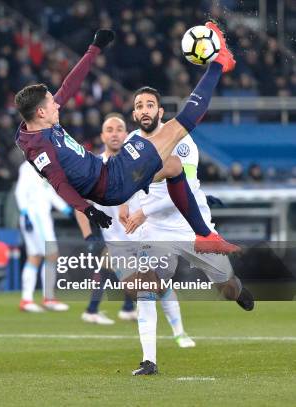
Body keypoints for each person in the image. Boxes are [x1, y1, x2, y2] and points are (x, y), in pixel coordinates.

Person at [14, 22, 238, 255]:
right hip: (112, 183)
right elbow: (59, 182)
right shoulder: (39, 148)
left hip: (109, 170)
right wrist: (88, 211)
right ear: (40, 112)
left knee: (172, 165)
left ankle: (203, 235)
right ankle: (220, 62)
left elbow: (68, 87)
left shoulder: (38, 123)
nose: (57, 104)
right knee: (176, 129)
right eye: (52, 103)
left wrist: (94, 48)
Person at [119, 87, 254, 375]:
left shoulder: (181, 141)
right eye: (139, 105)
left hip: (191, 228)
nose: (144, 110)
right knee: (146, 289)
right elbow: (128, 182)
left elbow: (185, 190)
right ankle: (149, 361)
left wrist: (143, 211)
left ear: (160, 112)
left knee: (227, 288)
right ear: (134, 114)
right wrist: (126, 204)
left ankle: (236, 289)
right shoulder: (131, 144)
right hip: (155, 233)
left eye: (150, 105)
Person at [76, 115, 197, 349]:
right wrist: (89, 236)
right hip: (119, 246)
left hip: (146, 238)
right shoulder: (94, 169)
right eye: (109, 129)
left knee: (160, 286)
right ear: (102, 136)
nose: (114, 133)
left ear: (127, 135)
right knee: (144, 290)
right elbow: (80, 206)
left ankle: (179, 333)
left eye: (119, 129)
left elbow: (166, 189)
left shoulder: (139, 163)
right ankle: (115, 311)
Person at [14, 159, 71, 312]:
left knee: (36, 256)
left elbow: (49, 192)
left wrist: (65, 208)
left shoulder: (46, 167)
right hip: (35, 215)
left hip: (41, 216)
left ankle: (28, 300)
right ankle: (48, 298)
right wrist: (24, 212)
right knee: (51, 254)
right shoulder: (28, 167)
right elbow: (20, 191)